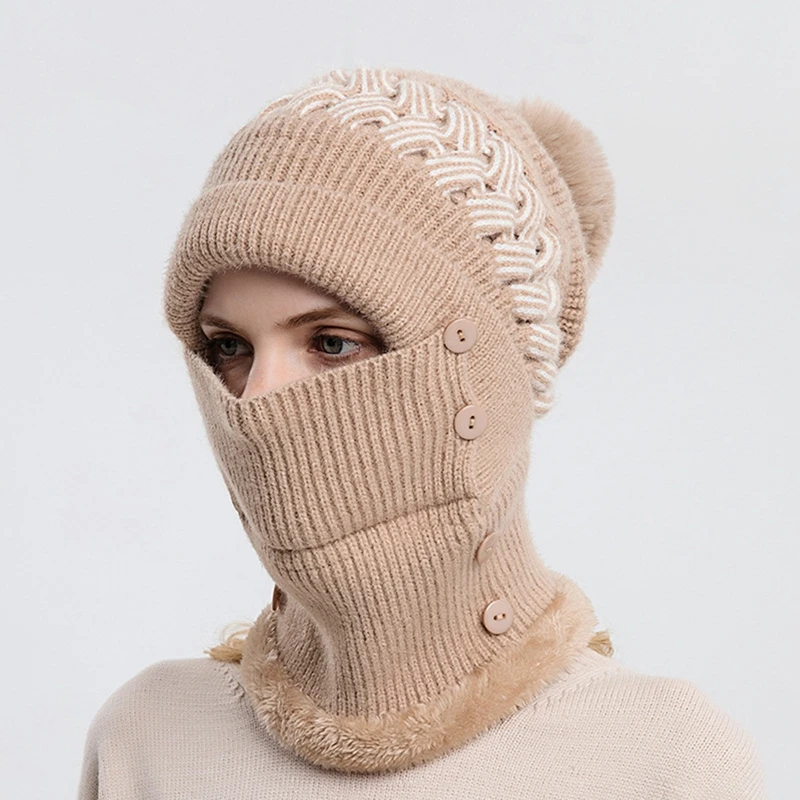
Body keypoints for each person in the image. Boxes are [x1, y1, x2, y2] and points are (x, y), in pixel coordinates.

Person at [76, 65, 767, 798]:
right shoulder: (147, 738)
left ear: (486, 382)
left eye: (332, 343)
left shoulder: (665, 757)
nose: (255, 399)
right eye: (229, 347)